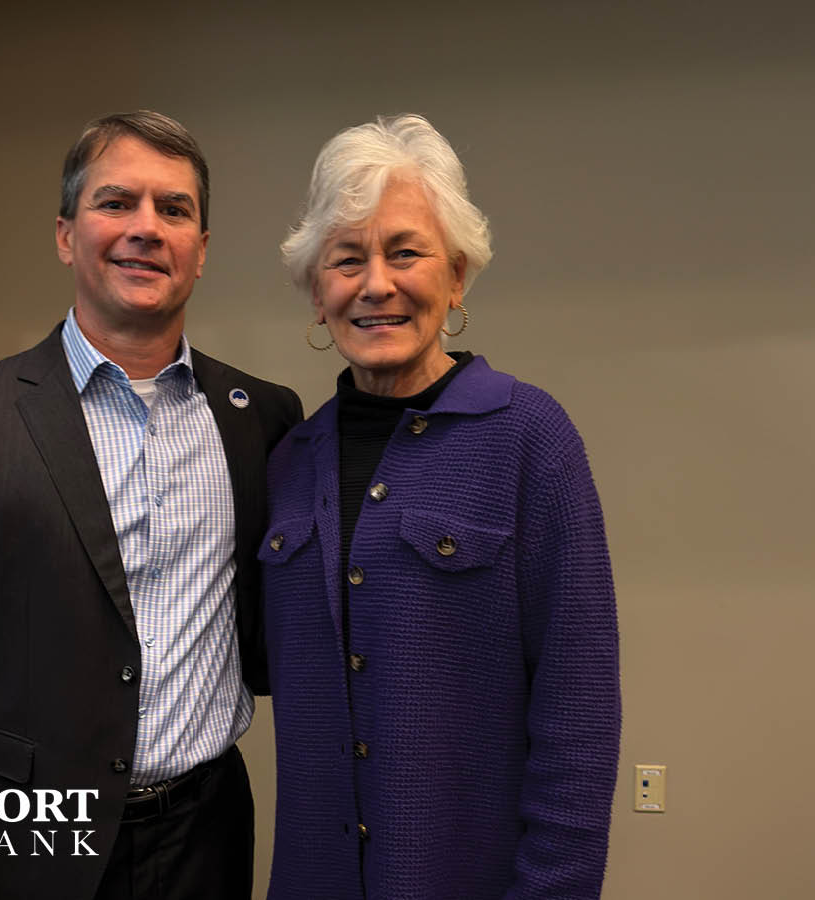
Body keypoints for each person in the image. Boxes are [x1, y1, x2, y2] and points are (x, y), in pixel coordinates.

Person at [0, 111, 302, 900]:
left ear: (201, 249)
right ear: (66, 235)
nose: (147, 228)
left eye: (174, 209)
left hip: (206, 839)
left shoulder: (262, 418)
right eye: (116, 202)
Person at [260, 115, 620, 899]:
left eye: (405, 253)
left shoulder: (529, 437)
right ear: (318, 293)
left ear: (456, 277)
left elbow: (579, 713)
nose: (375, 284)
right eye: (346, 259)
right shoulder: (289, 461)